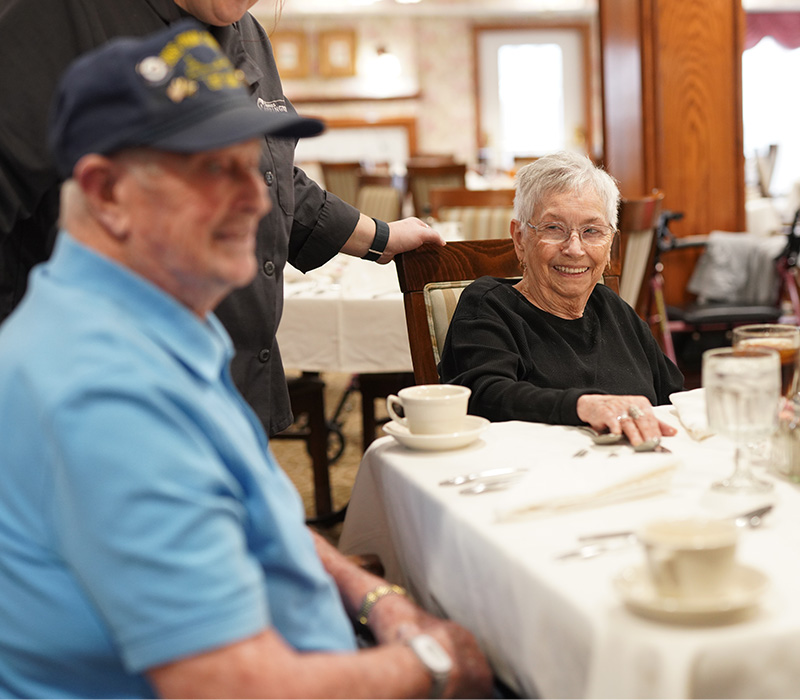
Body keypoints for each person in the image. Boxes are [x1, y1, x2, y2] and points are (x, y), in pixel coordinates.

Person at [0, 23, 490, 698]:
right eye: (211, 169)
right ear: (107, 193)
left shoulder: (161, 328)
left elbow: (258, 518)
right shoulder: (103, 390)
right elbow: (235, 687)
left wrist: (380, 602)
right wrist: (434, 665)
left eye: (249, 163)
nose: (256, 199)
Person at [0, 0, 443, 437]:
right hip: (101, 391)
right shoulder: (57, 14)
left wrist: (378, 235)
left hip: (231, 374)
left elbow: (272, 175)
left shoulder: (246, 30)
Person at [439, 151, 684, 446]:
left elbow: (674, 399)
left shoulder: (613, 308)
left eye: (592, 231)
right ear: (519, 239)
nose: (574, 248)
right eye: (554, 228)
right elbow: (482, 396)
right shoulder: (490, 306)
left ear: (610, 245)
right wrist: (583, 406)